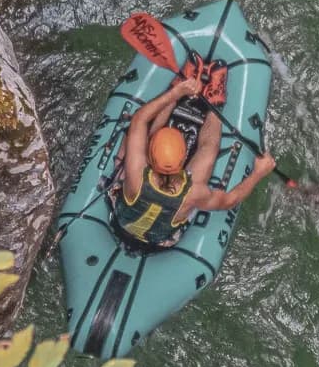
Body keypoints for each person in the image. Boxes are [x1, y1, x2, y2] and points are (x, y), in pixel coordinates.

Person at [112, 74, 276, 249]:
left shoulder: (136, 173)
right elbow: (229, 201)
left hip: (121, 222)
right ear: (184, 158)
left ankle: (177, 91)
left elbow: (139, 120)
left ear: (150, 160)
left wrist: (176, 92)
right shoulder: (194, 193)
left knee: (142, 139)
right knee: (208, 149)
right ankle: (214, 105)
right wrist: (258, 173)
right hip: (160, 239)